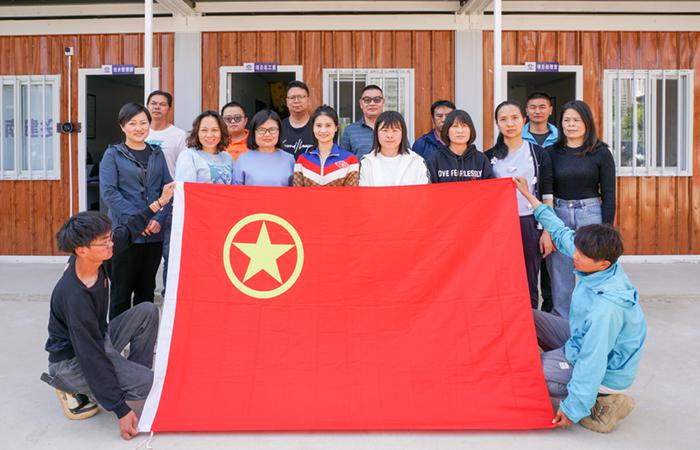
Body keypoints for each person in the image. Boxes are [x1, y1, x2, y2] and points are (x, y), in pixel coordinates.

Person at [512, 176, 646, 434]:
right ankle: (563, 373)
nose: (574, 256)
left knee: (531, 372)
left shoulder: (607, 309)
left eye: (582, 256)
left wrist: (573, 409)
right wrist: (529, 197)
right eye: (577, 250)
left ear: (603, 264)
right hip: (579, 338)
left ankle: (601, 403)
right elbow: (560, 232)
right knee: (525, 316)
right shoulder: (596, 261)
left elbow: (592, 361)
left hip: (605, 371)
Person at [44, 183, 176, 440]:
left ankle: (129, 376)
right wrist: (120, 409)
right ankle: (71, 386)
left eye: (109, 237)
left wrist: (160, 202)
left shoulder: (93, 259)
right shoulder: (75, 296)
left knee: (147, 310)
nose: (111, 243)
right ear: (81, 250)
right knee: (152, 385)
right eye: (104, 241)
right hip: (72, 362)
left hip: (98, 339)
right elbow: (91, 355)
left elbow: (128, 230)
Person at [100, 103, 172, 320]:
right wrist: (141, 220)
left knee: (146, 292)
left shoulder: (157, 153)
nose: (139, 128)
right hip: (125, 233)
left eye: (143, 123)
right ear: (123, 126)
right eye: (133, 123)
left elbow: (168, 189)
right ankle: (116, 337)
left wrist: (158, 218)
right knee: (121, 293)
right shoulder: (113, 154)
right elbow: (110, 193)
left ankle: (142, 336)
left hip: (154, 235)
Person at [547, 100, 616, 319]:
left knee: (592, 269)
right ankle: (562, 322)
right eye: (566, 120)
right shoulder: (551, 152)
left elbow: (609, 194)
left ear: (587, 122)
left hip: (590, 214)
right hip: (559, 213)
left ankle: (592, 319)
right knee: (560, 271)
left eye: (576, 120)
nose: (571, 124)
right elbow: (546, 191)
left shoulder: (601, 153)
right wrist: (547, 226)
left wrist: (606, 229)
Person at [485, 101, 554, 309]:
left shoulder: (538, 153)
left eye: (514, 118)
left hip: (530, 223)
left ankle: (531, 323)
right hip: (500, 226)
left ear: (524, 120)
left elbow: (547, 195)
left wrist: (547, 231)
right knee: (501, 278)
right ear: (497, 123)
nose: (510, 124)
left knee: (529, 280)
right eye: (503, 119)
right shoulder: (488, 157)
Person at [523, 92, 558, 313]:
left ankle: (549, 314)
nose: (538, 111)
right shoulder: (516, 138)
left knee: (551, 267)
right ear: (526, 112)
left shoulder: (561, 138)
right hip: (526, 210)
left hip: (553, 203)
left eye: (542, 106)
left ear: (550, 110)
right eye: (533, 107)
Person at [359, 111, 429, 186]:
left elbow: (423, 191)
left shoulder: (416, 161)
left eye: (395, 130)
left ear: (403, 133)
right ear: (376, 133)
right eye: (385, 130)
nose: (389, 135)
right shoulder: (366, 162)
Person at [293, 105, 359, 187]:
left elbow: (351, 193)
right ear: (313, 127)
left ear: (336, 127)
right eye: (318, 125)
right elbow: (297, 193)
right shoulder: (302, 160)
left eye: (328, 125)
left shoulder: (350, 160)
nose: (323, 130)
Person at [425, 109, 493, 183]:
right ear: (447, 131)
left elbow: (491, 187)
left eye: (464, 126)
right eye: (455, 126)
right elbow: (428, 188)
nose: (460, 131)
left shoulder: (481, 159)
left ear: (471, 130)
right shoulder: (434, 159)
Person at [233, 109, 295, 186]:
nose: (267, 134)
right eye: (261, 130)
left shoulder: (289, 160)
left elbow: (295, 190)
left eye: (272, 129)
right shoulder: (243, 159)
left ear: (279, 132)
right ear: (253, 132)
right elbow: (235, 190)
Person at [175, 111, 234, 185]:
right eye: (204, 130)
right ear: (197, 133)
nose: (209, 135)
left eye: (214, 130)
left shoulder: (228, 158)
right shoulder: (188, 156)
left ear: (221, 132)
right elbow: (185, 189)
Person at [145, 90, 187, 179]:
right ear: (147, 106)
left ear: (169, 109)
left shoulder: (180, 135)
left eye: (162, 104)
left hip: (169, 185)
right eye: (153, 103)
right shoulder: (139, 132)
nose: (157, 107)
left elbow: (184, 167)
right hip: (141, 185)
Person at [340, 84, 385, 160]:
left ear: (383, 102)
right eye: (367, 100)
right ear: (361, 103)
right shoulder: (350, 130)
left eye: (377, 99)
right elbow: (343, 160)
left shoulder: (393, 129)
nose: (372, 103)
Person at [279, 80, 315, 158]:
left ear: (308, 100)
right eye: (292, 97)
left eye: (300, 97)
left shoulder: (318, 126)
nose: (296, 101)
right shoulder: (278, 127)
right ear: (287, 101)